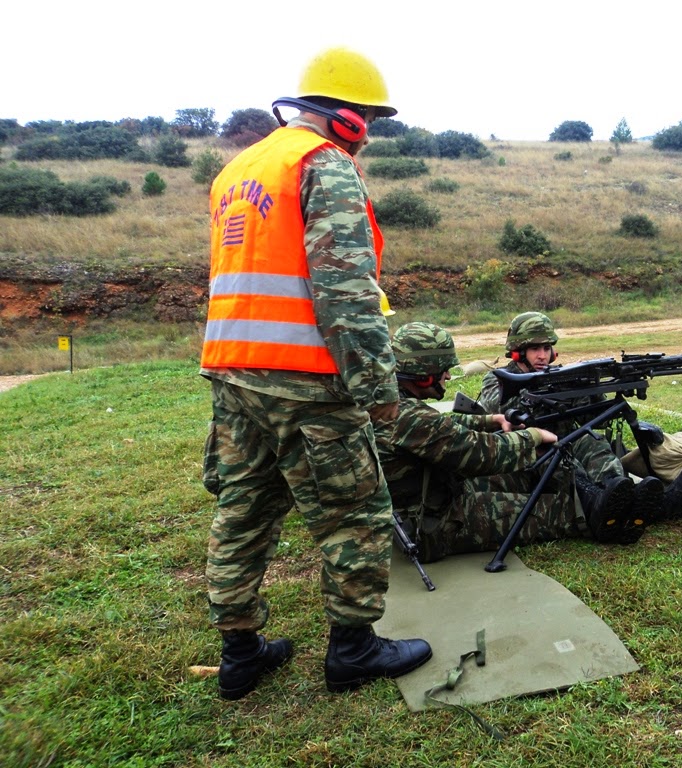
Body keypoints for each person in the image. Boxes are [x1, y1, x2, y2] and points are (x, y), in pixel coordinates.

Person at [200, 46, 430, 701]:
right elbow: (344, 290)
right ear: (348, 118)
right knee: (355, 514)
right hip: (306, 378)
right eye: (371, 119)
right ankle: (353, 652)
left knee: (243, 512)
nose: (370, 134)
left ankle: (240, 655)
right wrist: (380, 392)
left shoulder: (239, 169)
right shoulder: (322, 164)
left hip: (233, 373)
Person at [377, 322, 654, 564]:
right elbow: (480, 454)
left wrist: (489, 421)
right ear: (423, 373)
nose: (448, 377)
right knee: (555, 511)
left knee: (529, 479)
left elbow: (443, 427)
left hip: (432, 498)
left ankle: (609, 495)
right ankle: (622, 512)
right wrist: (532, 437)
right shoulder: (407, 415)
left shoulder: (389, 403)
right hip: (435, 526)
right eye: (443, 371)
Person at [478, 311, 682, 527]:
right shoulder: (499, 378)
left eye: (547, 348)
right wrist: (542, 392)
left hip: (569, 440)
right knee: (563, 460)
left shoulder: (558, 375)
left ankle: (623, 492)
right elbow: (496, 408)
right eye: (535, 349)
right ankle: (608, 506)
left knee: (594, 442)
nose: (542, 355)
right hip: (532, 450)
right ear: (517, 351)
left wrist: (591, 388)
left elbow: (596, 419)